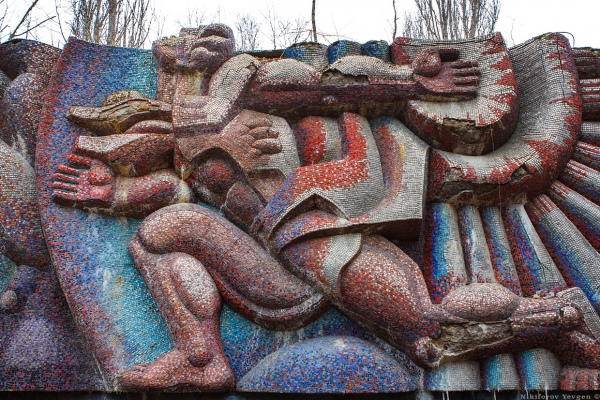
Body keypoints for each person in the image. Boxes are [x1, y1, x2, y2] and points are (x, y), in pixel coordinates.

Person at [52, 24, 600, 391]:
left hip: (318, 227)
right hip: (272, 253)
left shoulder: (239, 80)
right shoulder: (183, 140)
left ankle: (561, 319)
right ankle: (201, 358)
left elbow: (325, 87)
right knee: (160, 232)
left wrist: (410, 81)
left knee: (429, 333)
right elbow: (174, 195)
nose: (191, 44)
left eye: (206, 36)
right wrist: (113, 194)